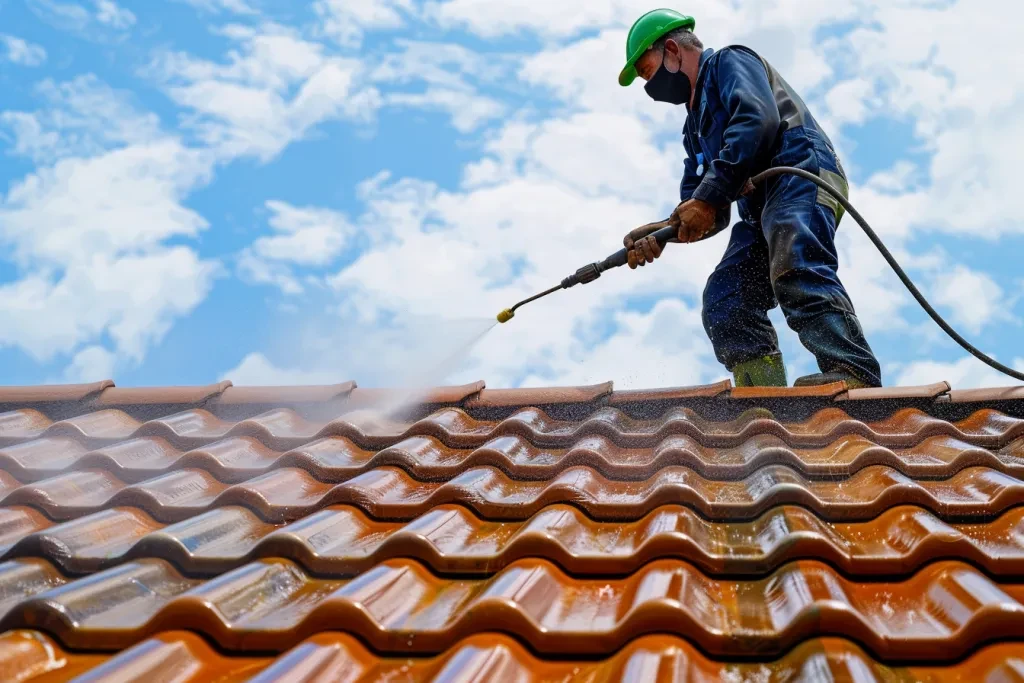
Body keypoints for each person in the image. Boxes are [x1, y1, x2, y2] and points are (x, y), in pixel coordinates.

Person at [619, 9, 882, 388]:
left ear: (672, 50)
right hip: (760, 210)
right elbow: (706, 209)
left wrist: (707, 199)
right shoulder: (694, 130)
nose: (650, 86)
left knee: (794, 259)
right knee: (727, 299)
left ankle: (854, 376)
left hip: (799, 172)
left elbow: (757, 120)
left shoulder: (729, 62)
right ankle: (764, 397)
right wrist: (664, 232)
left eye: (647, 72)